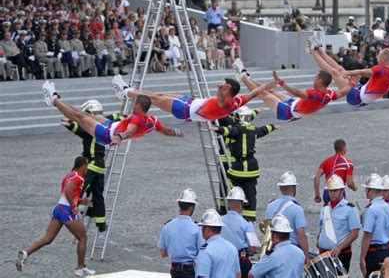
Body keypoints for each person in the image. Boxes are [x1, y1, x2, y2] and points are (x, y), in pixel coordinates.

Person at [16, 156, 95, 276]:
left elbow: (67, 193)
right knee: (83, 237)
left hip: (58, 209)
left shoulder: (69, 175)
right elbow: (69, 190)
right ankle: (81, 268)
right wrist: (74, 206)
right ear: (83, 165)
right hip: (67, 211)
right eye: (87, 166)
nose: (87, 168)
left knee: (48, 239)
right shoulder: (79, 178)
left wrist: (80, 201)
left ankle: (26, 253)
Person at [42, 80, 184, 146]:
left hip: (107, 134)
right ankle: (57, 98)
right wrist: (178, 133)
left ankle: (53, 99)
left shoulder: (136, 118)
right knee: (85, 113)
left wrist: (119, 137)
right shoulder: (153, 121)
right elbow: (166, 131)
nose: (133, 104)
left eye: (135, 102)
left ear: (139, 106)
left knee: (79, 117)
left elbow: (130, 131)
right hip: (112, 125)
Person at [112, 74, 276, 123]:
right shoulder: (237, 101)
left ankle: (125, 91)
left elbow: (219, 99)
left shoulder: (223, 102)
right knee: (159, 95)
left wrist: (220, 89)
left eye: (224, 84)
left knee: (154, 97)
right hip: (191, 103)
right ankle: (127, 91)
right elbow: (254, 93)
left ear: (228, 90)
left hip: (185, 109)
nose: (221, 84)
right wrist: (267, 85)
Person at [62, 100, 122, 232]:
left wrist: (70, 122)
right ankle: (101, 223)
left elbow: (72, 125)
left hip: (90, 165)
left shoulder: (89, 129)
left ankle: (67, 214)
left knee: (78, 188)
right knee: (98, 195)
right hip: (100, 166)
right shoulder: (105, 125)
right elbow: (119, 116)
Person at [309, 37, 389, 107]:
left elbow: (362, 71)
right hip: (360, 90)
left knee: (335, 72)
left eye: (378, 57)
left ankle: (313, 51)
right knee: (339, 68)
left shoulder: (380, 69)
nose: (377, 58)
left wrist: (347, 74)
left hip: (356, 98)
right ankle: (319, 50)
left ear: (384, 59)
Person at [234, 59, 350, 122]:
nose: (313, 78)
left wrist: (281, 82)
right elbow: (343, 92)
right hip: (293, 105)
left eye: (315, 77)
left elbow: (297, 92)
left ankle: (242, 75)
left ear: (320, 81)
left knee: (264, 94)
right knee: (272, 92)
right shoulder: (330, 94)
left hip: (287, 112)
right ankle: (249, 79)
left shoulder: (314, 94)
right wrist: (352, 83)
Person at [212, 108, 278, 221]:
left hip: (232, 161)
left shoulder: (231, 121)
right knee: (250, 192)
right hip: (251, 166)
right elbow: (257, 127)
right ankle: (249, 218)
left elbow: (230, 130)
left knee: (227, 184)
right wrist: (259, 115)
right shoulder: (249, 127)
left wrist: (217, 128)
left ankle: (227, 209)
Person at [317, 174, 360, 272]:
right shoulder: (324, 208)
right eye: (330, 191)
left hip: (341, 253)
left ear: (342, 190)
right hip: (323, 253)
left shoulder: (350, 209)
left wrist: (339, 247)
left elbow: (355, 233)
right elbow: (322, 228)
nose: (332, 193)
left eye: (335, 190)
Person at [158, 189, 204, 278]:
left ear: (179, 205)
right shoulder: (197, 228)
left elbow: (162, 253)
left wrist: (175, 250)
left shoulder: (167, 226)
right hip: (190, 271)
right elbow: (202, 252)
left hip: (175, 271)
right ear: (192, 207)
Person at [264, 172, 309, 262]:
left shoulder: (270, 206)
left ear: (280, 188)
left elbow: (266, 230)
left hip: (273, 250)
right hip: (291, 251)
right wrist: (306, 255)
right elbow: (301, 235)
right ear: (294, 188)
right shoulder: (297, 209)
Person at [359, 173, 389, 277]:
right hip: (386, 251)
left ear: (371, 190)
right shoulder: (388, 207)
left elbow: (367, 236)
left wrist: (362, 258)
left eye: (366, 189)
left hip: (374, 253)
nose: (365, 191)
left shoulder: (371, 209)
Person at [195, 209, 241, 278]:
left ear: (207, 229)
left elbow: (202, 276)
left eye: (202, 227)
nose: (201, 230)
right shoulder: (232, 248)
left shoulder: (206, 251)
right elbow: (238, 275)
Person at [221, 187, 255, 278]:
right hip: (241, 260)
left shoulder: (219, 221)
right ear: (241, 205)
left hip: (222, 260)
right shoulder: (247, 224)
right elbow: (253, 249)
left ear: (228, 204)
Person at [314, 139, 356, 205]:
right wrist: (354, 188)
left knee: (328, 213)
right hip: (338, 193)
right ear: (344, 148)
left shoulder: (326, 161)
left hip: (327, 193)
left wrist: (317, 194)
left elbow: (316, 177)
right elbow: (349, 183)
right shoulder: (348, 164)